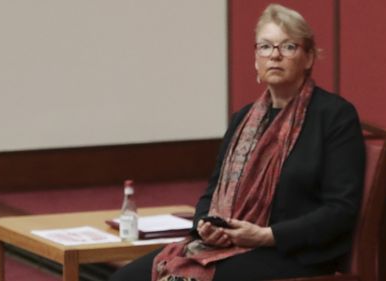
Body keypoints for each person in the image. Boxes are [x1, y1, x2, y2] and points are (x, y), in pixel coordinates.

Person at [109, 3, 365, 281]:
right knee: (126, 279)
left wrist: (266, 236)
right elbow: (212, 191)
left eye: (288, 47)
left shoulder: (335, 116)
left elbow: (340, 210)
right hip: (230, 246)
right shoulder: (243, 119)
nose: (275, 56)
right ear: (256, 59)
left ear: (309, 57)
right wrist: (205, 225)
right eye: (265, 47)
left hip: (294, 252)